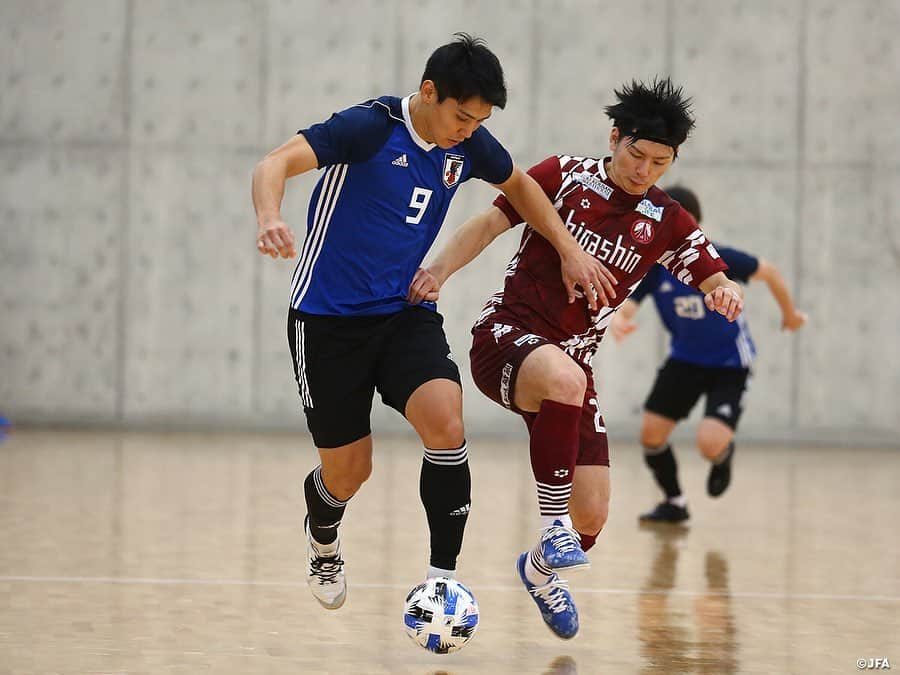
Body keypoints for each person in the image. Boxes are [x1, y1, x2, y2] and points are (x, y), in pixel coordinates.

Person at [251, 33, 615, 612]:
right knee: (348, 473)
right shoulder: (369, 128)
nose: (468, 129)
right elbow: (276, 162)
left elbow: (521, 185)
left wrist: (568, 249)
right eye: (461, 116)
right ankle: (323, 533)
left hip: (403, 312)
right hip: (326, 323)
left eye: (480, 121)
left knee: (446, 420)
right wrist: (270, 216)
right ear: (428, 92)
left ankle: (441, 580)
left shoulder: (468, 144)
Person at [408, 78, 744, 638]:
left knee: (594, 516)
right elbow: (490, 222)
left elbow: (713, 273)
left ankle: (540, 570)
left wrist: (723, 291)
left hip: (571, 367)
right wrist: (439, 272)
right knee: (564, 382)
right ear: (615, 138)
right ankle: (552, 522)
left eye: (660, 163)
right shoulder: (564, 176)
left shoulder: (666, 221)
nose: (644, 170)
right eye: (636, 155)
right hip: (505, 336)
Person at [609, 185, 807, 523]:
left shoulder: (719, 259)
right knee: (651, 435)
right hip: (684, 360)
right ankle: (675, 503)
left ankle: (722, 456)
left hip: (729, 363)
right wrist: (619, 321)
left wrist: (790, 314)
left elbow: (769, 272)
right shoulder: (656, 269)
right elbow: (627, 306)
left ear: (694, 227)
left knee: (708, 443)